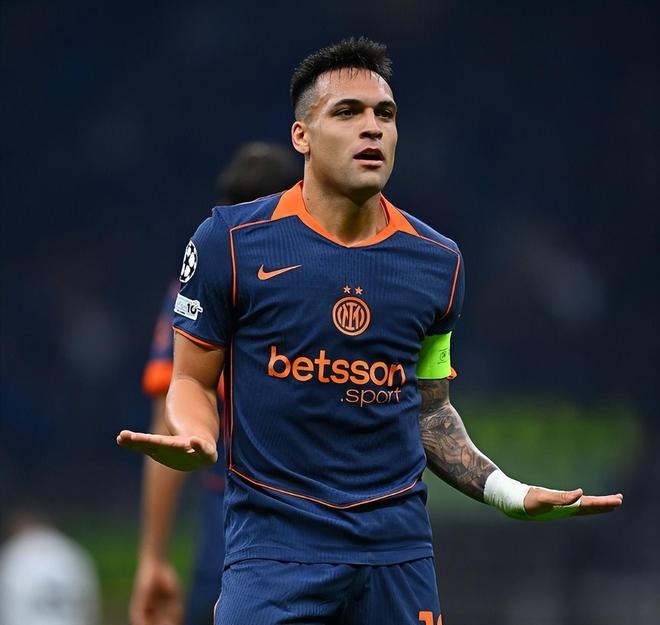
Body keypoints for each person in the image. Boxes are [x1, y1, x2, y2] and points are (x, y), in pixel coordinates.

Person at [118, 38, 623, 625]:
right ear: (302, 136)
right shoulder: (228, 242)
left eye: (385, 114)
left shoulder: (438, 262)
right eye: (347, 112)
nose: (372, 128)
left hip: (397, 555)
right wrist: (198, 435)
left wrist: (508, 493)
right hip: (274, 552)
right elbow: (190, 380)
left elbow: (430, 410)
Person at [130, 142, 300, 625]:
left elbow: (166, 425)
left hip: (243, 523)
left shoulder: (202, 283)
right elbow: (171, 426)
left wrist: (153, 557)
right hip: (258, 517)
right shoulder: (200, 288)